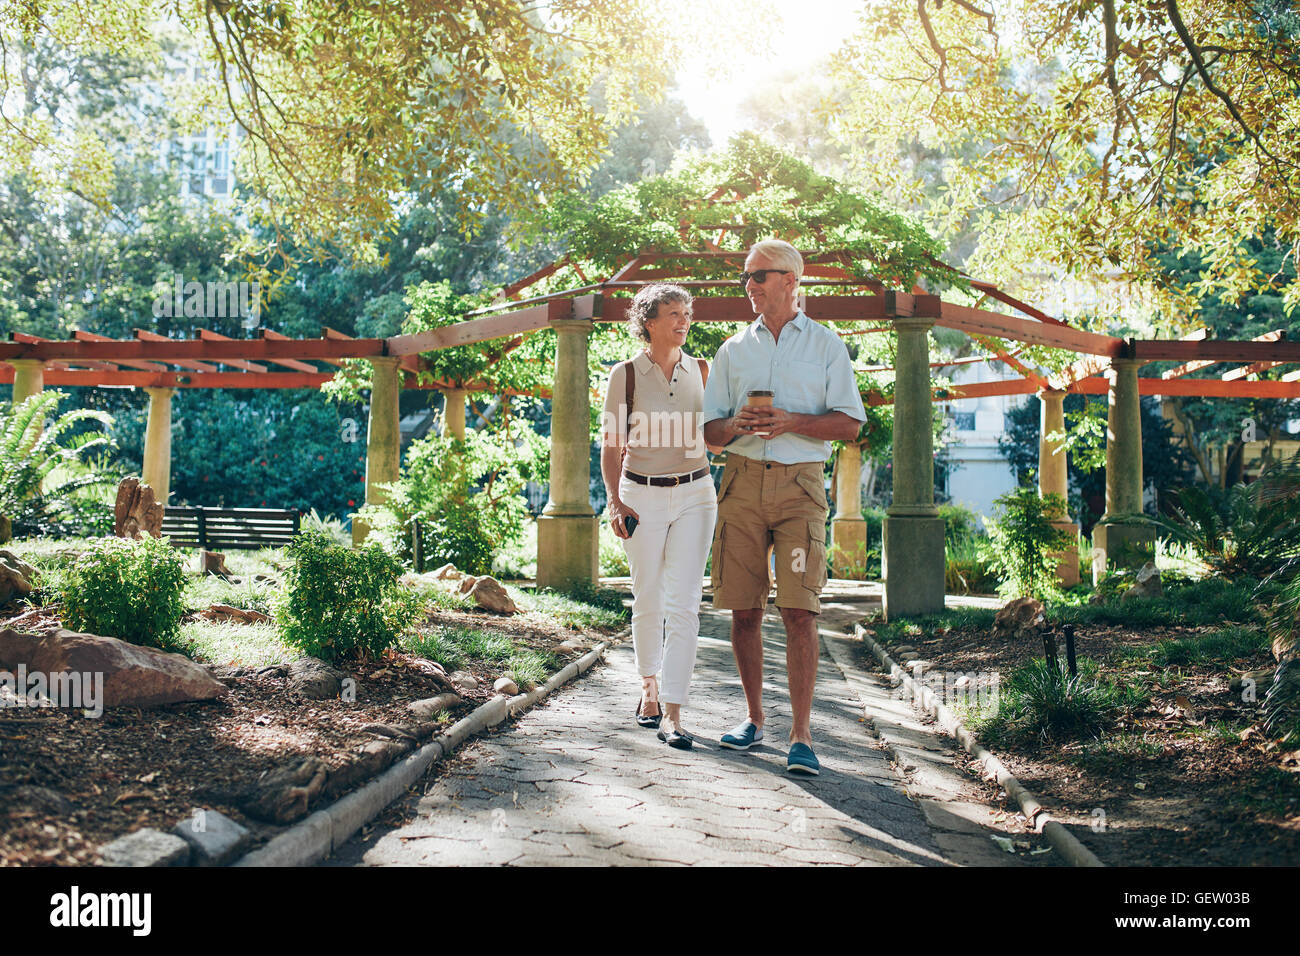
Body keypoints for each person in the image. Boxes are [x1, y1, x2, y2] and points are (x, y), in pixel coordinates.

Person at [701, 239, 866, 775]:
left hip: (801, 489)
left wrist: (793, 421)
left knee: (800, 610)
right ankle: (754, 720)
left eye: (758, 276)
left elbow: (850, 424)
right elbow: (710, 434)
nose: (748, 286)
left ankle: (802, 735)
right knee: (744, 610)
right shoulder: (732, 350)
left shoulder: (826, 346)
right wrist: (735, 426)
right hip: (742, 486)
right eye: (746, 278)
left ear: (791, 280)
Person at [600, 283, 719, 750]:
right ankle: (647, 686)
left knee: (685, 602)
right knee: (647, 595)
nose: (683, 320)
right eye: (673, 313)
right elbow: (611, 446)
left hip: (696, 493)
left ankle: (673, 712)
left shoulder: (703, 370)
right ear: (649, 322)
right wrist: (615, 502)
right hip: (640, 496)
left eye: (687, 312)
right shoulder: (625, 375)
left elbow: (715, 436)